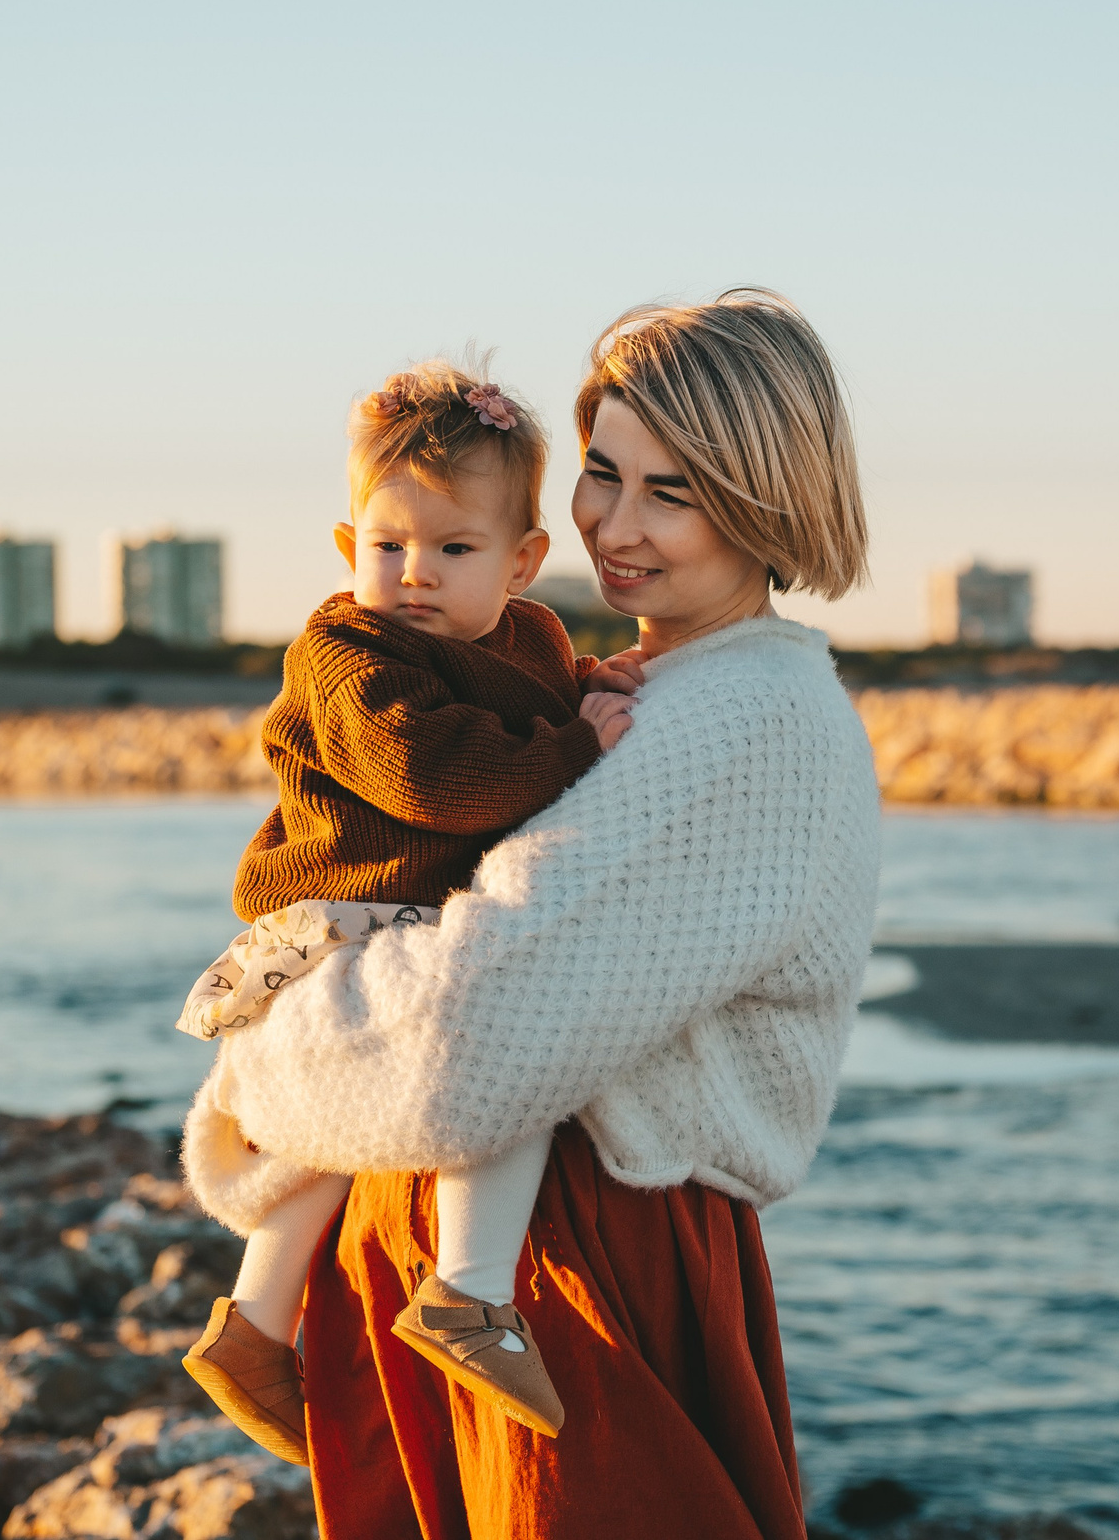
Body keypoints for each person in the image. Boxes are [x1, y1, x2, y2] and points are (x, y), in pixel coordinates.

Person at [202, 289, 880, 1539]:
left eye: (670, 492)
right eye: (601, 474)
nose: (612, 528)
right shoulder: (626, 690)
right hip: (481, 1263)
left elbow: (465, 1039)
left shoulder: (747, 724)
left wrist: (259, 1060)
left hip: (583, 1270)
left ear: (766, 500)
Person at [176, 359, 646, 1458]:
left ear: (522, 561)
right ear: (349, 550)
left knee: (357, 1120)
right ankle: (468, 1289)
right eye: (388, 546)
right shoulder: (346, 654)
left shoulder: (521, 635)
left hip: (411, 914)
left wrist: (591, 690)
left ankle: (251, 1323)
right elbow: (435, 775)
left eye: (453, 549)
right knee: (502, 1048)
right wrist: (578, 751)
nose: (416, 572)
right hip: (346, 908)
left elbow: (529, 693)